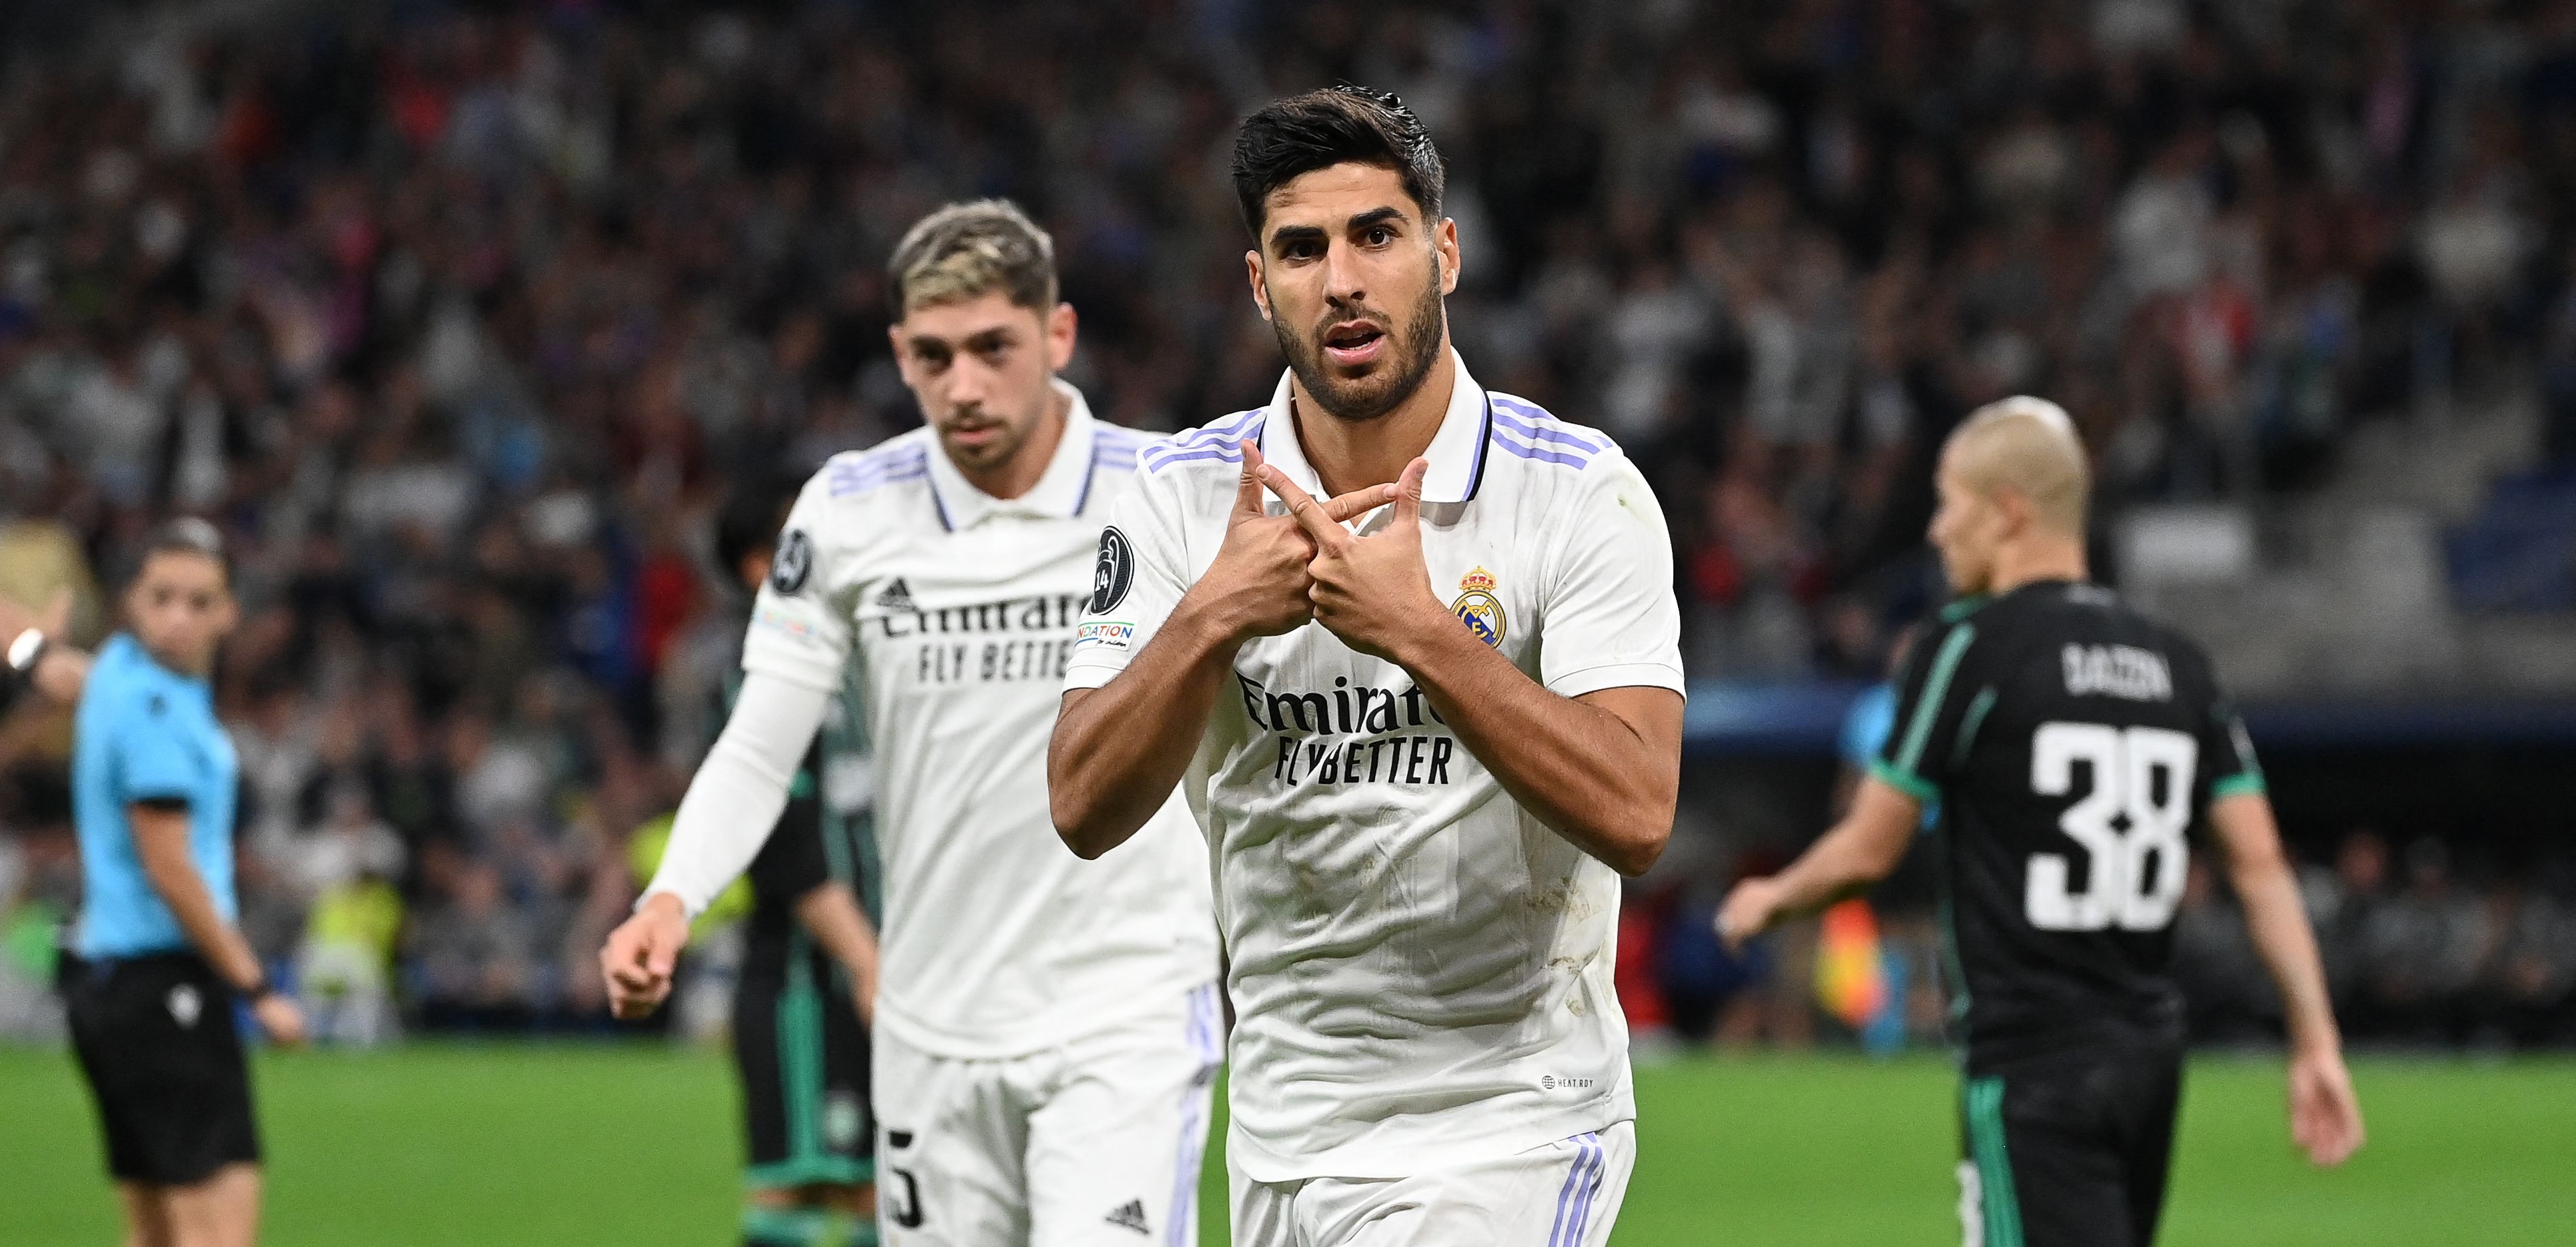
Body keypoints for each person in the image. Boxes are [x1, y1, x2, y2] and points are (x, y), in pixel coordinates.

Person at [1047, 87, 1685, 1247]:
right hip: (1286, 1139)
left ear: (1443, 254)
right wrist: (1209, 619)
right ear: (1259, 283)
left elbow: (1640, 809)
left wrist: (1423, 634)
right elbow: (1082, 804)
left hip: (1510, 1125)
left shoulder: (1579, 490)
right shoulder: (1179, 500)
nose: (1340, 278)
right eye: (1301, 248)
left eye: (1375, 236)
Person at [599, 200, 1222, 1247]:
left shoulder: (1169, 490)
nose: (963, 386)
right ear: (899, 353)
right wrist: (671, 899)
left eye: (994, 349)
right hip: (930, 1024)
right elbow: (759, 744)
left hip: (1126, 1013)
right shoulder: (847, 510)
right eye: (933, 357)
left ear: (1057, 336)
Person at [1715, 398, 2366, 1247]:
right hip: (2150, 1063)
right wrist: (2315, 1040)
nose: (1940, 532)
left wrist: (1770, 898)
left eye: (1952, 504)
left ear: (2008, 510)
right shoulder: (2180, 664)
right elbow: (2261, 866)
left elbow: (1869, 850)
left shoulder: (1965, 648)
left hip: (2032, 1063)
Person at [0, 518, 308, 1247]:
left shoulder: (126, 676)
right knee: (215, 1231)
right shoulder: (158, 710)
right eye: (162, 597)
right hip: (165, 986)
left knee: (154, 1232)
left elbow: (74, 678)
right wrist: (256, 989)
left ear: (229, 612)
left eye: (199, 601)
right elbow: (170, 868)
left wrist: (30, 652)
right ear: (130, 601)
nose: (179, 618)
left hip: (111, 987)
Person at [710, 478, 885, 1247]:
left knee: (886, 1188)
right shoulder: (756, 677)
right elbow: (783, 844)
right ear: (760, 567)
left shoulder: (862, 661)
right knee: (803, 1189)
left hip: (889, 971)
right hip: (804, 989)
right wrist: (866, 963)